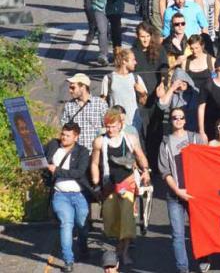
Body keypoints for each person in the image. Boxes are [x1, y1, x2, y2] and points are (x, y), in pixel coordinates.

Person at [90, 107, 150, 266]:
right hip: (109, 183)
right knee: (110, 218)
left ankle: (123, 252)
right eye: (107, 126)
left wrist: (146, 171)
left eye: (113, 126)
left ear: (120, 125)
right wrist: (96, 183)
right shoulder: (100, 141)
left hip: (127, 181)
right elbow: (95, 163)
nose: (110, 129)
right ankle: (119, 246)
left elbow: (140, 155)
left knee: (126, 217)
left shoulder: (130, 138)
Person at [159, 107, 207, 273]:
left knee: (199, 230)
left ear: (185, 120)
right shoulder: (165, 143)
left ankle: (203, 258)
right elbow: (165, 172)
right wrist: (178, 191)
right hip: (175, 195)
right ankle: (183, 268)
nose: (178, 120)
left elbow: (208, 163)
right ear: (170, 121)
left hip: (196, 194)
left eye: (181, 117)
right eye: (174, 118)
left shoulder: (196, 138)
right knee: (178, 235)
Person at [46, 122, 91, 273]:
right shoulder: (54, 146)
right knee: (66, 224)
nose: (63, 138)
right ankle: (68, 260)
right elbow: (38, 155)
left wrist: (57, 170)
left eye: (68, 136)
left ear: (76, 137)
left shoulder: (82, 152)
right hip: (60, 195)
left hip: (79, 195)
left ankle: (83, 248)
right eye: (62, 134)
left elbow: (79, 173)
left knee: (82, 225)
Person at [101, 50, 147, 129]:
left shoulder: (136, 78)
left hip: (133, 123)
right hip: (114, 125)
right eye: (133, 60)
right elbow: (102, 103)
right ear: (124, 61)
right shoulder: (108, 78)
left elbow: (144, 102)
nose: (135, 62)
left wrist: (142, 93)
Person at [61, 73, 108, 150]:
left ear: (83, 87)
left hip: (95, 152)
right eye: (70, 88)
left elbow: (107, 128)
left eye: (73, 88)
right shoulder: (69, 106)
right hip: (77, 154)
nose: (70, 91)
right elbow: (65, 129)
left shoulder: (100, 104)